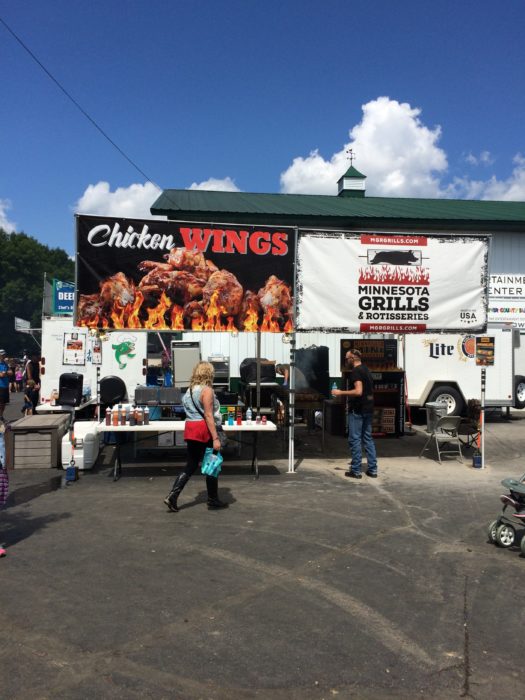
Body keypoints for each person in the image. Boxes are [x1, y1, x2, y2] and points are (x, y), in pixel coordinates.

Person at [164, 361, 228, 512]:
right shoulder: (207, 390)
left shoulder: (189, 391)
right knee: (212, 463)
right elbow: (208, 415)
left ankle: (173, 495)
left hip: (191, 428)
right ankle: (212, 499)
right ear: (209, 373)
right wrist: (216, 438)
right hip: (203, 429)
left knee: (191, 464)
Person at [332, 348, 378, 479]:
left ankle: (356, 470)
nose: (346, 361)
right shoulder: (366, 370)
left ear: (352, 358)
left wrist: (340, 393)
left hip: (358, 409)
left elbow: (358, 391)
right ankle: (373, 470)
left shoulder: (356, 371)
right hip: (368, 408)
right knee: (368, 438)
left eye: (347, 358)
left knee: (355, 439)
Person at [0, 350, 13, 423]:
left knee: (4, 403)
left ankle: (1, 416)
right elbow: (1, 375)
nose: (3, 356)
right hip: (0, 386)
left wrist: (5, 373)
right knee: (1, 402)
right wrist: (4, 373)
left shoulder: (5, 364)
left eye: (4, 355)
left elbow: (11, 372)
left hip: (5, 386)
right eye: (2, 355)